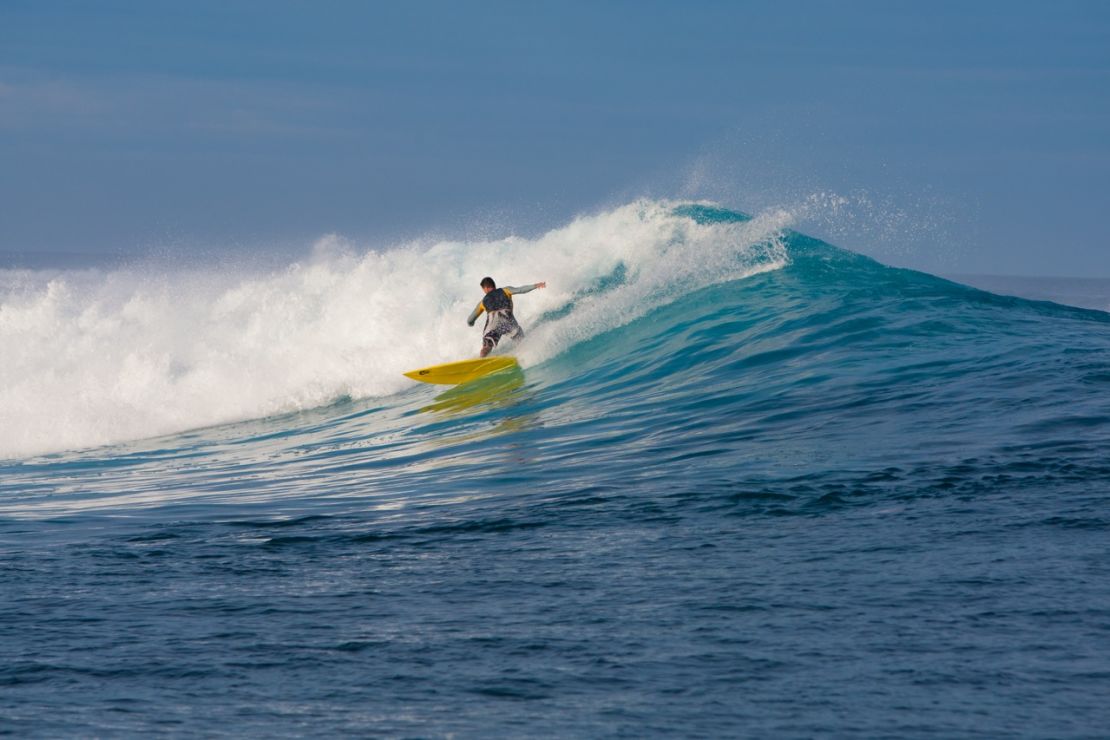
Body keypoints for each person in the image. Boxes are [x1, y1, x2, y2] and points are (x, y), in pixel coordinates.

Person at [467, 277, 546, 357]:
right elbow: (520, 290)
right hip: (507, 318)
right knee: (521, 340)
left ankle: (482, 360)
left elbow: (470, 319)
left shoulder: (482, 302)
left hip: (493, 321)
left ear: (486, 288)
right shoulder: (505, 290)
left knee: (487, 346)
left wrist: (471, 323)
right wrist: (535, 286)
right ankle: (526, 356)